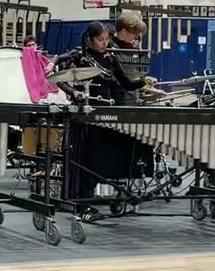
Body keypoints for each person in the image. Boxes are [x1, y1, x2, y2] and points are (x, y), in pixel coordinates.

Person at [52, 21, 157, 218]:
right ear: (89, 39)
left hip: (106, 112)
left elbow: (126, 84)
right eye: (100, 39)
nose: (104, 43)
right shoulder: (80, 56)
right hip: (86, 114)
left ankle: (102, 195)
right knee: (86, 159)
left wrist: (143, 81)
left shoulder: (110, 57)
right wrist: (74, 92)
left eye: (107, 39)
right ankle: (81, 201)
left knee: (103, 158)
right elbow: (60, 79)